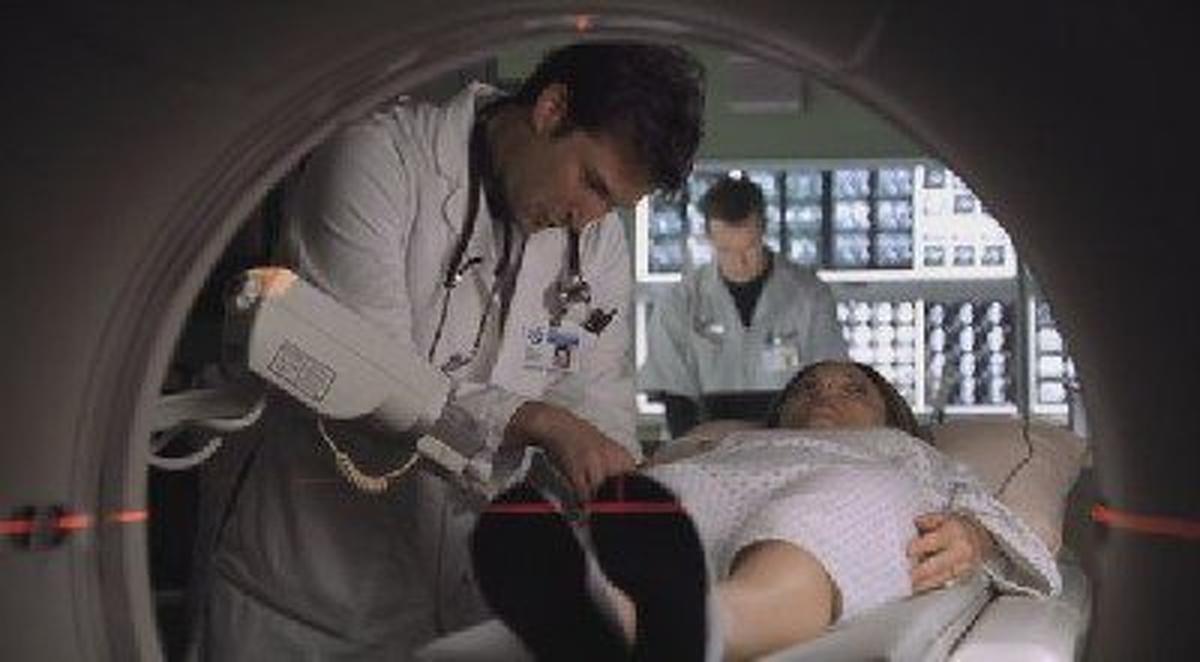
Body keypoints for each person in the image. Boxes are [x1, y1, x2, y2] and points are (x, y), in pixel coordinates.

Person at [192, 42, 705, 660]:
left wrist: (602, 476)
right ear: (551, 109)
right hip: (308, 599)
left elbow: (596, 396)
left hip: (465, 610)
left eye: (612, 204)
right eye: (590, 183)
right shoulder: (377, 159)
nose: (587, 218)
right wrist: (533, 420)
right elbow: (371, 377)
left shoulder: (596, 243)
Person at [472, 360, 1060, 661]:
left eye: (852, 389)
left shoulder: (906, 453)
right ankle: (598, 603)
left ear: (892, 416)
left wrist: (972, 536)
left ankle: (688, 624)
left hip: (850, 482)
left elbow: (983, 513)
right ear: (779, 412)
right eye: (808, 388)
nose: (824, 395)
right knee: (649, 503)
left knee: (825, 513)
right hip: (717, 479)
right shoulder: (721, 445)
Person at [639, 175, 847, 438]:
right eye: (726, 250)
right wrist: (694, 450)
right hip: (707, 441)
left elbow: (828, 382)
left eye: (749, 249)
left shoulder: (809, 295)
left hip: (792, 439)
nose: (739, 262)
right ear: (709, 237)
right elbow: (675, 395)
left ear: (763, 230)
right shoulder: (680, 302)